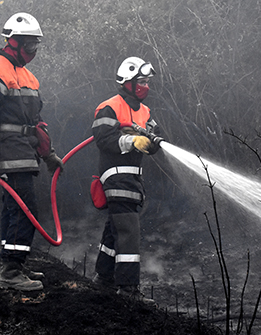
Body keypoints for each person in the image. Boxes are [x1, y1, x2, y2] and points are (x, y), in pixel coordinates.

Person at [0, 12, 64, 291]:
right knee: (25, 209)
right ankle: (10, 272)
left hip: (26, 149)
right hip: (9, 151)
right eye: (30, 45)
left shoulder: (29, 77)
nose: (33, 51)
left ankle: (13, 264)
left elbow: (38, 124)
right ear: (13, 42)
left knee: (15, 208)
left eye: (36, 45)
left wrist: (49, 154)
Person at [91, 56, 161, 304]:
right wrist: (132, 141)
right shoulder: (109, 107)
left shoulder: (145, 112)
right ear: (127, 82)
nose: (145, 86)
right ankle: (128, 289)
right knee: (129, 230)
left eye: (147, 82)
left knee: (115, 228)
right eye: (141, 81)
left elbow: (155, 140)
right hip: (114, 176)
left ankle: (104, 278)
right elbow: (103, 139)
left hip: (132, 179)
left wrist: (151, 142)